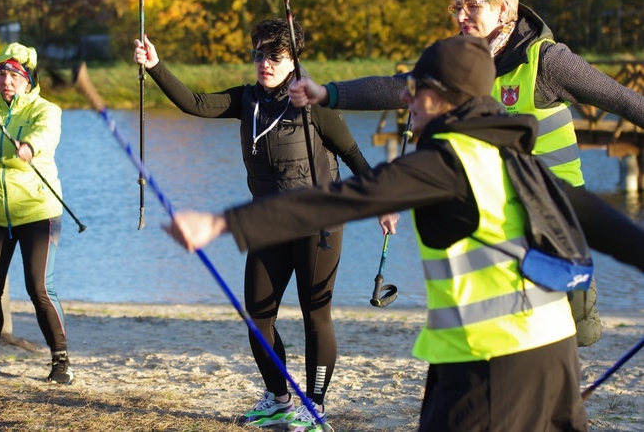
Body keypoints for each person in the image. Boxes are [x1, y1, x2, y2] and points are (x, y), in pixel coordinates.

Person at [162, 35, 644, 432]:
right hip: (555, 359)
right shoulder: (519, 162)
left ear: (446, 98)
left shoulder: (444, 162)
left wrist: (223, 223)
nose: (407, 99)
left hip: (487, 365)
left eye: (417, 89)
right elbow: (607, 226)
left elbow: (339, 199)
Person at [287, 0, 644, 347]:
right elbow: (398, 87)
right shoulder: (458, 62)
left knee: (581, 333)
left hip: (554, 212)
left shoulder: (548, 61)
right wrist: (327, 94)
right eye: (456, 7)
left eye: (472, 5)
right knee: (514, 330)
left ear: (503, 7)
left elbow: (624, 100)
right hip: (495, 215)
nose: (461, 15)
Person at [134, 19, 374, 431]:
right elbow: (194, 102)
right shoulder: (247, 101)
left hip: (320, 223)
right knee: (258, 315)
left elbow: (354, 155)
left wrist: (380, 205)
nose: (264, 63)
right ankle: (280, 399)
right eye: (259, 54)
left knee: (315, 315)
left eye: (274, 56)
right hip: (267, 222)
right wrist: (156, 67)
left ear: (293, 60)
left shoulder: (313, 102)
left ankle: (314, 408)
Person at [0, 42, 73, 384]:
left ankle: (61, 361)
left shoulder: (46, 110)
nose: (7, 81)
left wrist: (30, 146)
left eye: (15, 75)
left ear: (28, 80)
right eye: (2, 74)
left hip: (38, 212)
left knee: (39, 289)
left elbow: (46, 134)